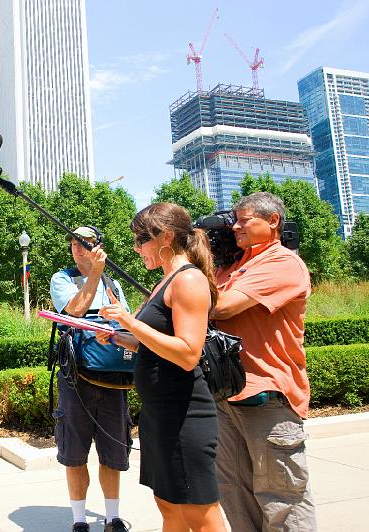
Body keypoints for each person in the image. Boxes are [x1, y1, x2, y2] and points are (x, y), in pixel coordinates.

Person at [96, 203, 226, 531]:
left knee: (199, 510)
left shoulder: (188, 279)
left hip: (184, 413)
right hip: (160, 413)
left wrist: (128, 321)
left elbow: (187, 353)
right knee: (168, 504)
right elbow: (150, 343)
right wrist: (117, 337)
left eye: (141, 239)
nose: (136, 248)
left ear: (166, 236)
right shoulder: (165, 282)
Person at [210, 192, 317, 531]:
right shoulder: (230, 266)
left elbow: (221, 307)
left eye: (245, 219)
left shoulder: (281, 262)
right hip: (226, 396)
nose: (235, 226)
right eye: (234, 220)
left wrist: (188, 297)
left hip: (268, 397)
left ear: (273, 221)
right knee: (234, 494)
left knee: (283, 500)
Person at [49, 226, 132, 532]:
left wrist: (117, 324)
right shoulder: (63, 278)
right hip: (76, 378)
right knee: (74, 453)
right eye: (73, 243)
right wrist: (95, 273)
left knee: (113, 452)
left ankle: (112, 518)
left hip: (113, 378)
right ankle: (80, 521)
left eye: (84, 243)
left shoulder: (113, 283)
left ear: (99, 246)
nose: (77, 248)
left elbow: (125, 321)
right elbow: (75, 309)